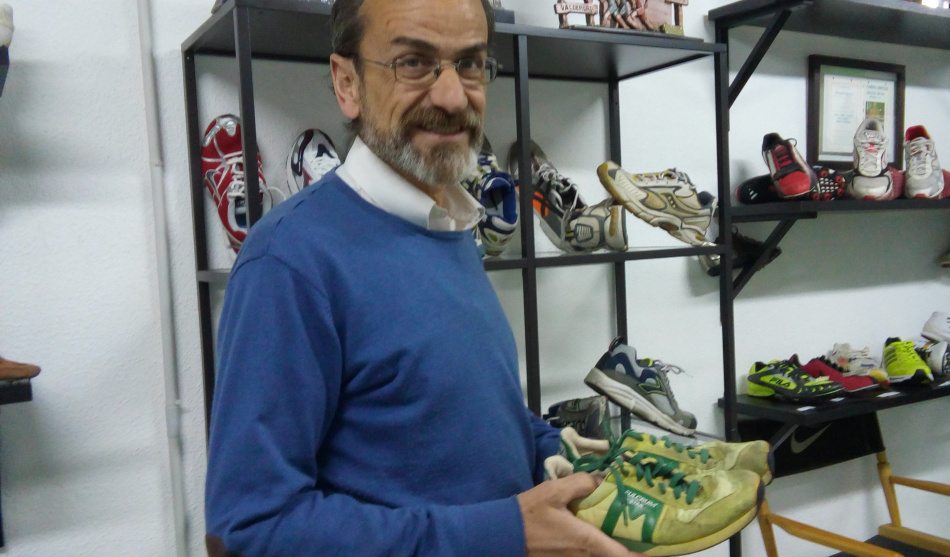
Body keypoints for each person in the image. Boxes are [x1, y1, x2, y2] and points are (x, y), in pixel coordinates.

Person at [203, 0, 641, 555]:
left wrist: (547, 447)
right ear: (347, 83)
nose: (453, 97)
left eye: (471, 63)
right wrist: (506, 532)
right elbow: (249, 529)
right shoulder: (287, 261)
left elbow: (444, 423)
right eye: (413, 63)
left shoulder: (449, 223)